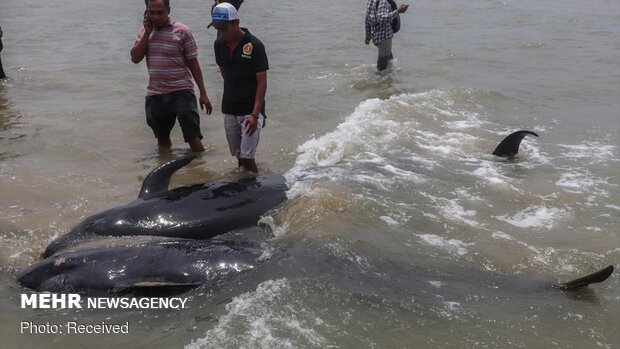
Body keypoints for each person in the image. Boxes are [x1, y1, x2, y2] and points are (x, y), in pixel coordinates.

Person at [130, 0, 212, 152]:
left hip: (182, 91)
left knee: (193, 137)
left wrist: (203, 93)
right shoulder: (144, 31)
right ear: (146, 12)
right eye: (151, 12)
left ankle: (201, 171)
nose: (155, 17)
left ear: (168, 10)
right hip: (156, 93)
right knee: (162, 140)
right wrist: (147, 34)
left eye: (160, 13)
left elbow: (193, 63)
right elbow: (135, 58)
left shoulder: (182, 31)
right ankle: (166, 169)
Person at [210, 3, 268, 173]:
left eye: (224, 28)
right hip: (230, 108)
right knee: (239, 157)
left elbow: (262, 82)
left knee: (248, 159)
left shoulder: (255, 45)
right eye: (217, 28)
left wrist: (255, 114)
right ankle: (243, 190)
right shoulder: (219, 44)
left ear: (236, 23)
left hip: (250, 111)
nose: (221, 32)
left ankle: (257, 191)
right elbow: (225, 73)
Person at [364, 0, 409, 72]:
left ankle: (390, 80)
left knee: (390, 62)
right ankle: (377, 81)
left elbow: (367, 19)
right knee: (382, 68)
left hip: (376, 36)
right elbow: (382, 19)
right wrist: (398, 11)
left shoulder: (370, 1)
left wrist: (368, 36)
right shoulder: (383, 1)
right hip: (384, 36)